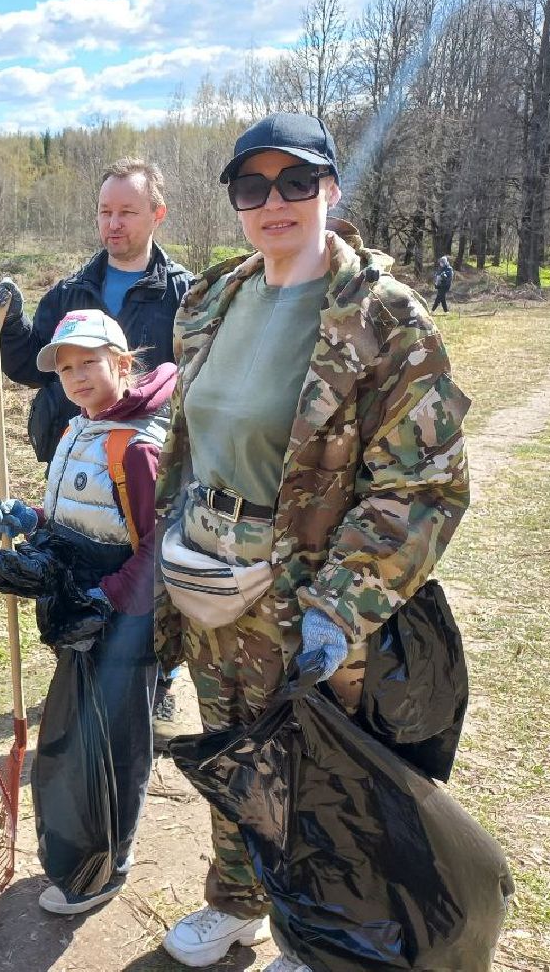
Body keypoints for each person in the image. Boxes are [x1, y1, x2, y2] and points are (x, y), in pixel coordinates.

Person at [154, 114, 470, 971]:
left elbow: (423, 483)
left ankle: (315, 932)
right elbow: (191, 442)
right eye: (252, 187)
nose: (275, 202)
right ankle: (236, 903)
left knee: (314, 779)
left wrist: (342, 605)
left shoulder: (382, 315)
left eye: (297, 182)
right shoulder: (213, 299)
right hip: (209, 586)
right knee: (232, 757)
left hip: (307, 596)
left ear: (332, 188)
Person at [0, 309, 176, 915]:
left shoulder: (138, 449)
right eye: (64, 368)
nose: (75, 377)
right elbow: (81, 520)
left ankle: (104, 868)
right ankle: (83, 854)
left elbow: (156, 549)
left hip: (124, 627)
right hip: (86, 621)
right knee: (70, 742)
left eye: (89, 362)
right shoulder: (78, 430)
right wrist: (32, 523)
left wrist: (106, 601)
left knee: (111, 749)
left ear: (123, 363)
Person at [0, 158, 193, 740]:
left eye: (127, 212)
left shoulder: (182, 293)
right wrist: (10, 322)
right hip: (73, 446)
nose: (113, 224)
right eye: (105, 212)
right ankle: (81, 659)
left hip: (142, 457)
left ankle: (153, 680)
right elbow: (30, 366)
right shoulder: (71, 290)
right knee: (79, 557)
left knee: (144, 557)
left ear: (156, 214)